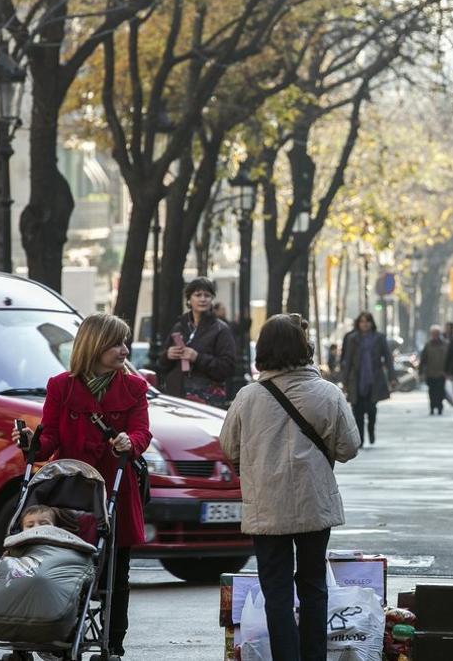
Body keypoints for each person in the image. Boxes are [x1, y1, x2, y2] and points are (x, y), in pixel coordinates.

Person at [219, 314, 359, 661]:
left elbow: (228, 446)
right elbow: (349, 448)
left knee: (277, 591)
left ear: (263, 349)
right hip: (314, 503)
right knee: (313, 586)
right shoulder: (328, 393)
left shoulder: (248, 398)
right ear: (304, 347)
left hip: (267, 506)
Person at [13, 313, 151, 659]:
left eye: (125, 342)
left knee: (117, 571)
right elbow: (50, 440)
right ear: (95, 345)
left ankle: (113, 642)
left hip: (115, 487)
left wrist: (128, 442)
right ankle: (61, 633)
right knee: (65, 564)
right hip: (72, 489)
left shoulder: (133, 387)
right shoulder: (62, 386)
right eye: (117, 343)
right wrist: (30, 441)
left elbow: (142, 432)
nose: (124, 350)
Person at [158, 277, 238, 407]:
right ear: (189, 299)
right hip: (177, 399)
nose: (203, 299)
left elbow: (228, 368)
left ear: (212, 299)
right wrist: (167, 355)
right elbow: (161, 365)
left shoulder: (220, 329)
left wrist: (198, 358)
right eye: (198, 295)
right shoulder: (179, 327)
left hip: (207, 401)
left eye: (207, 295)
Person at [340, 312, 392, 445]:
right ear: (358, 323)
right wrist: (344, 381)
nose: (365, 324)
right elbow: (347, 360)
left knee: (371, 409)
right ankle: (360, 439)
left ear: (371, 323)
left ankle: (371, 429)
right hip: (356, 380)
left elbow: (387, 357)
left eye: (367, 321)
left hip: (374, 379)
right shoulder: (352, 338)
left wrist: (392, 376)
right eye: (362, 321)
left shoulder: (379, 338)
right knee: (357, 410)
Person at [418, 325, 449, 415]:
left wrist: (449, 371)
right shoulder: (428, 345)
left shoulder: (445, 344)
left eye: (436, 334)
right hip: (430, 373)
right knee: (431, 392)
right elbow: (423, 359)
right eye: (433, 334)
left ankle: (439, 407)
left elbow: (449, 358)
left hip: (441, 373)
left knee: (440, 391)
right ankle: (432, 407)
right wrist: (421, 371)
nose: (435, 335)